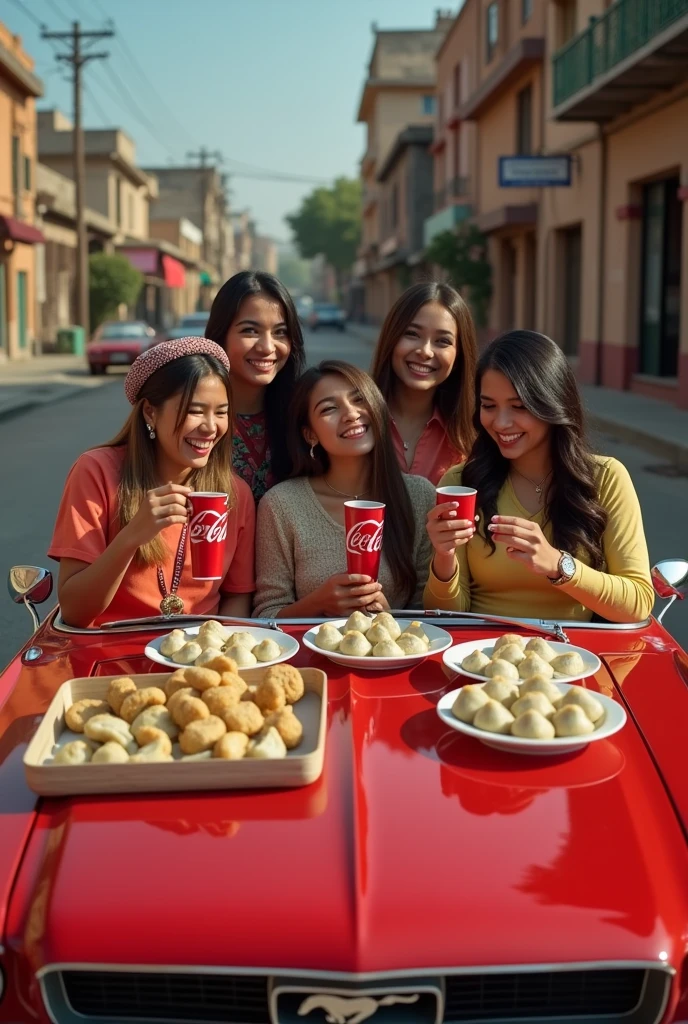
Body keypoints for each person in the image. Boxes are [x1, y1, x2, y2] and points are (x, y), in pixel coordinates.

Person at [424, 330, 654, 624]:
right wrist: (444, 556)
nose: (502, 422)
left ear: (552, 403)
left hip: (575, 656)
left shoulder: (606, 478)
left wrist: (558, 565)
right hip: (480, 657)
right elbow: (446, 615)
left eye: (519, 406)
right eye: (489, 406)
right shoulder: (461, 483)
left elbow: (637, 602)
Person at [49, 338, 255, 628]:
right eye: (195, 411)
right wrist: (132, 535)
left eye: (221, 412)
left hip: (199, 656)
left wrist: (218, 650)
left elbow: (236, 597)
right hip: (113, 651)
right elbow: (74, 611)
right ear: (150, 412)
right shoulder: (96, 471)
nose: (211, 427)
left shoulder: (235, 494)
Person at [253, 361, 435, 618]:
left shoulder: (419, 496)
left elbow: (428, 610)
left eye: (359, 399)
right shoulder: (281, 504)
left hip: (390, 654)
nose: (351, 414)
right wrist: (318, 604)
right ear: (310, 435)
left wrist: (389, 617)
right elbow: (265, 614)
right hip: (304, 656)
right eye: (329, 408)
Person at [204, 270, 306, 501]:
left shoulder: (304, 415)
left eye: (280, 332)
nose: (267, 347)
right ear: (221, 335)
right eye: (250, 330)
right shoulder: (194, 416)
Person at [370, 281, 477, 485]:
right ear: (391, 338)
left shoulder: (474, 436)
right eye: (412, 334)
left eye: (442, 341)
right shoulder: (357, 419)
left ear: (459, 355)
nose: (425, 351)